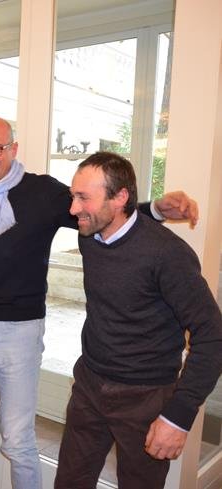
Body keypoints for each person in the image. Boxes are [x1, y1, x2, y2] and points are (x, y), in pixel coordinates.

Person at [0, 116, 200, 489]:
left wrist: (156, 210)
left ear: (13, 149)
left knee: (16, 438)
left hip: (17, 331)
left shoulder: (42, 192)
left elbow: (103, 212)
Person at [54, 152, 222, 488]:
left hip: (146, 397)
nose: (73, 209)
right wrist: (156, 208)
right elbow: (128, 222)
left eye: (83, 197)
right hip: (89, 385)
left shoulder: (167, 254)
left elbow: (212, 336)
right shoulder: (89, 234)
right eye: (73, 196)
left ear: (120, 197)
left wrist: (178, 415)